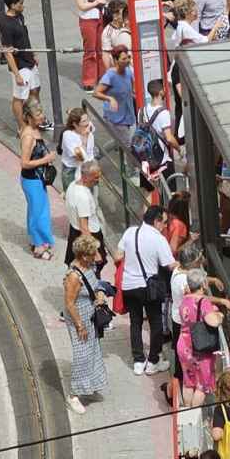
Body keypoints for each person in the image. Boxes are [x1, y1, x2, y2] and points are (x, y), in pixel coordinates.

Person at [118, 206, 176, 375]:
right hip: (149, 287)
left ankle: (138, 360)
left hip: (129, 285)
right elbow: (169, 264)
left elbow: (118, 255)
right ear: (157, 221)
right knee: (156, 323)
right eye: (164, 223)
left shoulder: (130, 232)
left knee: (135, 322)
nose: (165, 226)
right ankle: (153, 361)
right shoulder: (158, 239)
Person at [61, 235, 110, 415]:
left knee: (93, 350)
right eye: (92, 253)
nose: (96, 256)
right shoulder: (73, 276)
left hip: (90, 316)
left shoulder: (88, 265)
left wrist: (99, 294)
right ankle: (74, 395)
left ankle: (89, 387)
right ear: (83, 256)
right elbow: (69, 303)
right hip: (78, 319)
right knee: (82, 355)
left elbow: (94, 285)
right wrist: (79, 325)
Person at [174, 268, 230, 411]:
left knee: (188, 381)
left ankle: (186, 411)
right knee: (202, 384)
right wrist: (219, 316)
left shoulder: (184, 299)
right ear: (203, 284)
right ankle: (194, 414)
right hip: (200, 346)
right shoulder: (203, 302)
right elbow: (213, 322)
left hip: (184, 342)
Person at [0, 0, 44, 130]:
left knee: (35, 89)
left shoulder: (19, 16)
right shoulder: (5, 24)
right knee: (20, 96)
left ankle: (36, 118)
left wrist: (33, 53)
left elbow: (25, 37)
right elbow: (7, 51)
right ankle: (22, 126)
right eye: (20, 3)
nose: (23, 5)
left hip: (29, 60)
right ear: (12, 5)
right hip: (20, 65)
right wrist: (16, 74)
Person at [17, 101, 57, 261]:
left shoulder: (34, 130)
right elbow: (24, 163)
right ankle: (38, 246)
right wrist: (45, 159)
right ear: (29, 117)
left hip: (37, 178)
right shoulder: (28, 136)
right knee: (37, 213)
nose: (42, 117)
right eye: (38, 115)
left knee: (40, 210)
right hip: (32, 179)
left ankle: (39, 240)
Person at [62, 160, 106, 266]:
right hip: (89, 235)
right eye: (95, 177)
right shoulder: (83, 197)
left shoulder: (73, 185)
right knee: (90, 271)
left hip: (74, 232)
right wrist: (95, 253)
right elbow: (84, 227)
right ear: (86, 177)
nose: (97, 180)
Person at [73, 0, 107, 90]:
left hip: (100, 17)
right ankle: (88, 80)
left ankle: (102, 76)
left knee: (101, 49)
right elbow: (81, 5)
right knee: (90, 50)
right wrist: (96, 3)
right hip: (88, 20)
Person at [92, 47, 136, 128]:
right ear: (116, 60)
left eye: (128, 57)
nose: (127, 61)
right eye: (124, 59)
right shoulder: (110, 75)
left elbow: (133, 91)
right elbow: (96, 93)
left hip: (129, 118)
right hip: (115, 120)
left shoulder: (129, 72)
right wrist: (110, 99)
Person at [58, 106, 99, 190]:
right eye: (84, 121)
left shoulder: (88, 126)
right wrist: (85, 137)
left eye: (87, 119)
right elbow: (80, 157)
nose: (87, 123)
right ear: (75, 124)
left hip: (88, 168)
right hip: (72, 171)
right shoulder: (68, 136)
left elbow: (91, 126)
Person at [100, 0, 130, 72]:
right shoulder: (107, 32)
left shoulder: (127, 24)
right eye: (123, 13)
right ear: (115, 16)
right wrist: (109, 72)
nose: (126, 15)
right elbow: (106, 54)